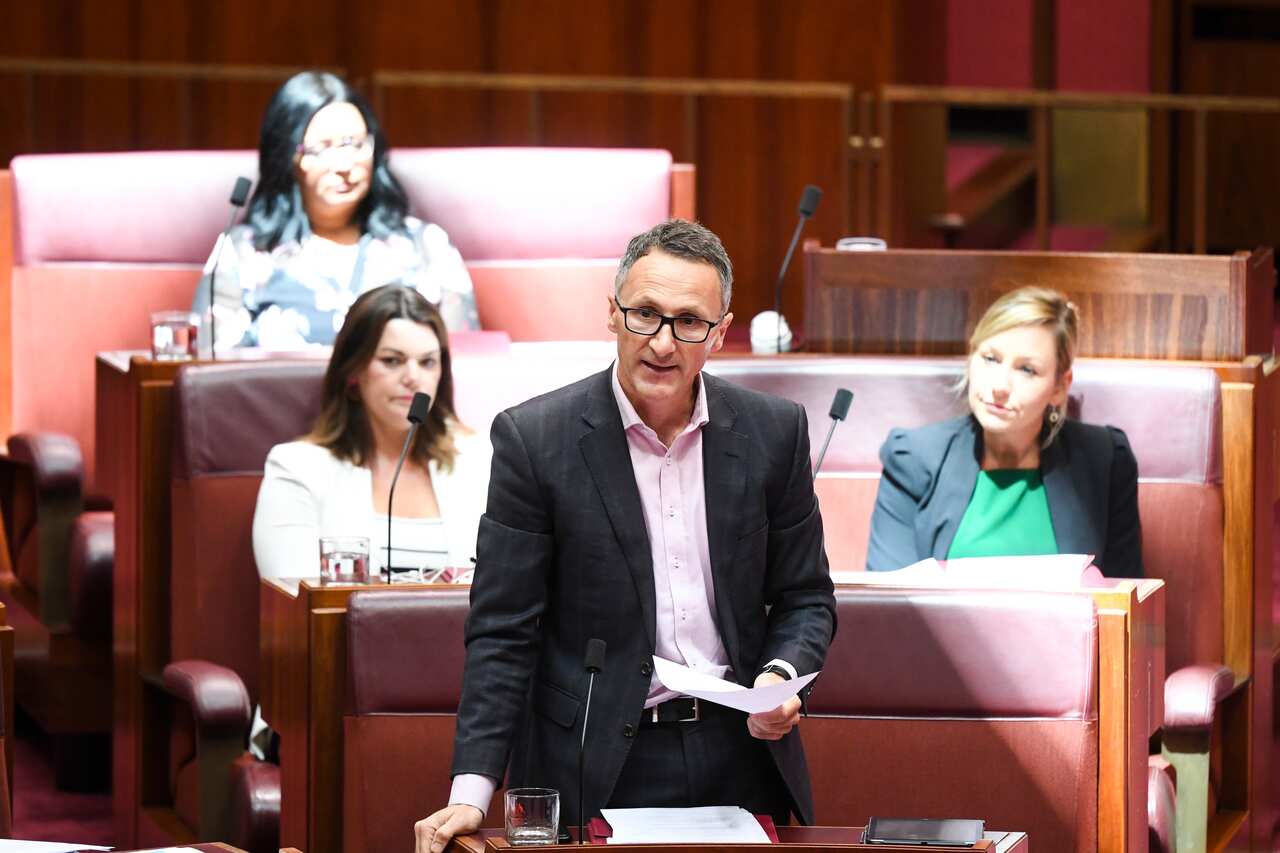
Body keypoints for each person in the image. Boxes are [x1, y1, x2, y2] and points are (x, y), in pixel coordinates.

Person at [415, 219, 836, 852]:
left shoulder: (773, 434)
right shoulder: (536, 441)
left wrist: (779, 677)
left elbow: (806, 597)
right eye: (645, 314)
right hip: (592, 757)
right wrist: (470, 794)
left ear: (720, 333)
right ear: (611, 314)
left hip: (739, 754)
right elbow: (503, 630)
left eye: (689, 322)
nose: (662, 343)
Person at [865, 286, 1143, 577]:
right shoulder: (912, 457)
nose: (999, 385)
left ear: (1060, 386)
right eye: (990, 358)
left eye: (1027, 370)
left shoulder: (1106, 460)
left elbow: (1125, 599)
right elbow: (888, 601)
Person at [194, 71, 477, 351]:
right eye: (322, 148)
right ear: (286, 156)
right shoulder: (245, 252)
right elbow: (210, 367)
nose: (344, 164)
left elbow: (466, 363)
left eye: (354, 144)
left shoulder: (425, 246)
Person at [252, 284, 490, 582]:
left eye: (427, 362)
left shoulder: (481, 459)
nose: (413, 378)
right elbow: (295, 606)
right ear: (353, 373)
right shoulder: (298, 469)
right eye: (392, 360)